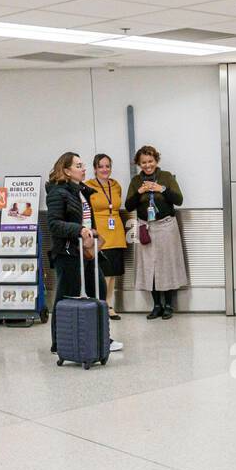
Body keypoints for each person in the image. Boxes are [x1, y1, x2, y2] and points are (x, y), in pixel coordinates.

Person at [47, 151, 122, 353]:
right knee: (66, 297)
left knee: (98, 289)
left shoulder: (81, 190)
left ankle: (102, 337)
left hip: (88, 251)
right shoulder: (57, 192)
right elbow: (54, 224)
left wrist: (89, 232)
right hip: (69, 253)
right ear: (66, 170)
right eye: (78, 166)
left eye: (83, 165)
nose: (83, 169)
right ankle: (60, 342)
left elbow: (86, 219)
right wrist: (78, 230)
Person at [124, 145, 187, 320]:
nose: (147, 165)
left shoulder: (166, 176)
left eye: (150, 161)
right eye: (143, 162)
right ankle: (156, 305)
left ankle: (168, 305)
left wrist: (162, 189)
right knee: (148, 266)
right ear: (139, 163)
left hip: (166, 226)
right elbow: (128, 205)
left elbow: (179, 200)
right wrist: (139, 192)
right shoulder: (136, 181)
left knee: (167, 265)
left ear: (156, 161)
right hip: (146, 226)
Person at [86, 153, 126, 321]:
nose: (104, 169)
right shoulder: (87, 186)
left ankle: (110, 304)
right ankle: (102, 304)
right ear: (95, 169)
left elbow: (116, 205)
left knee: (114, 271)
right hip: (100, 232)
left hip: (116, 230)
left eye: (107, 166)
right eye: (101, 166)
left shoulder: (115, 185)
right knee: (104, 272)